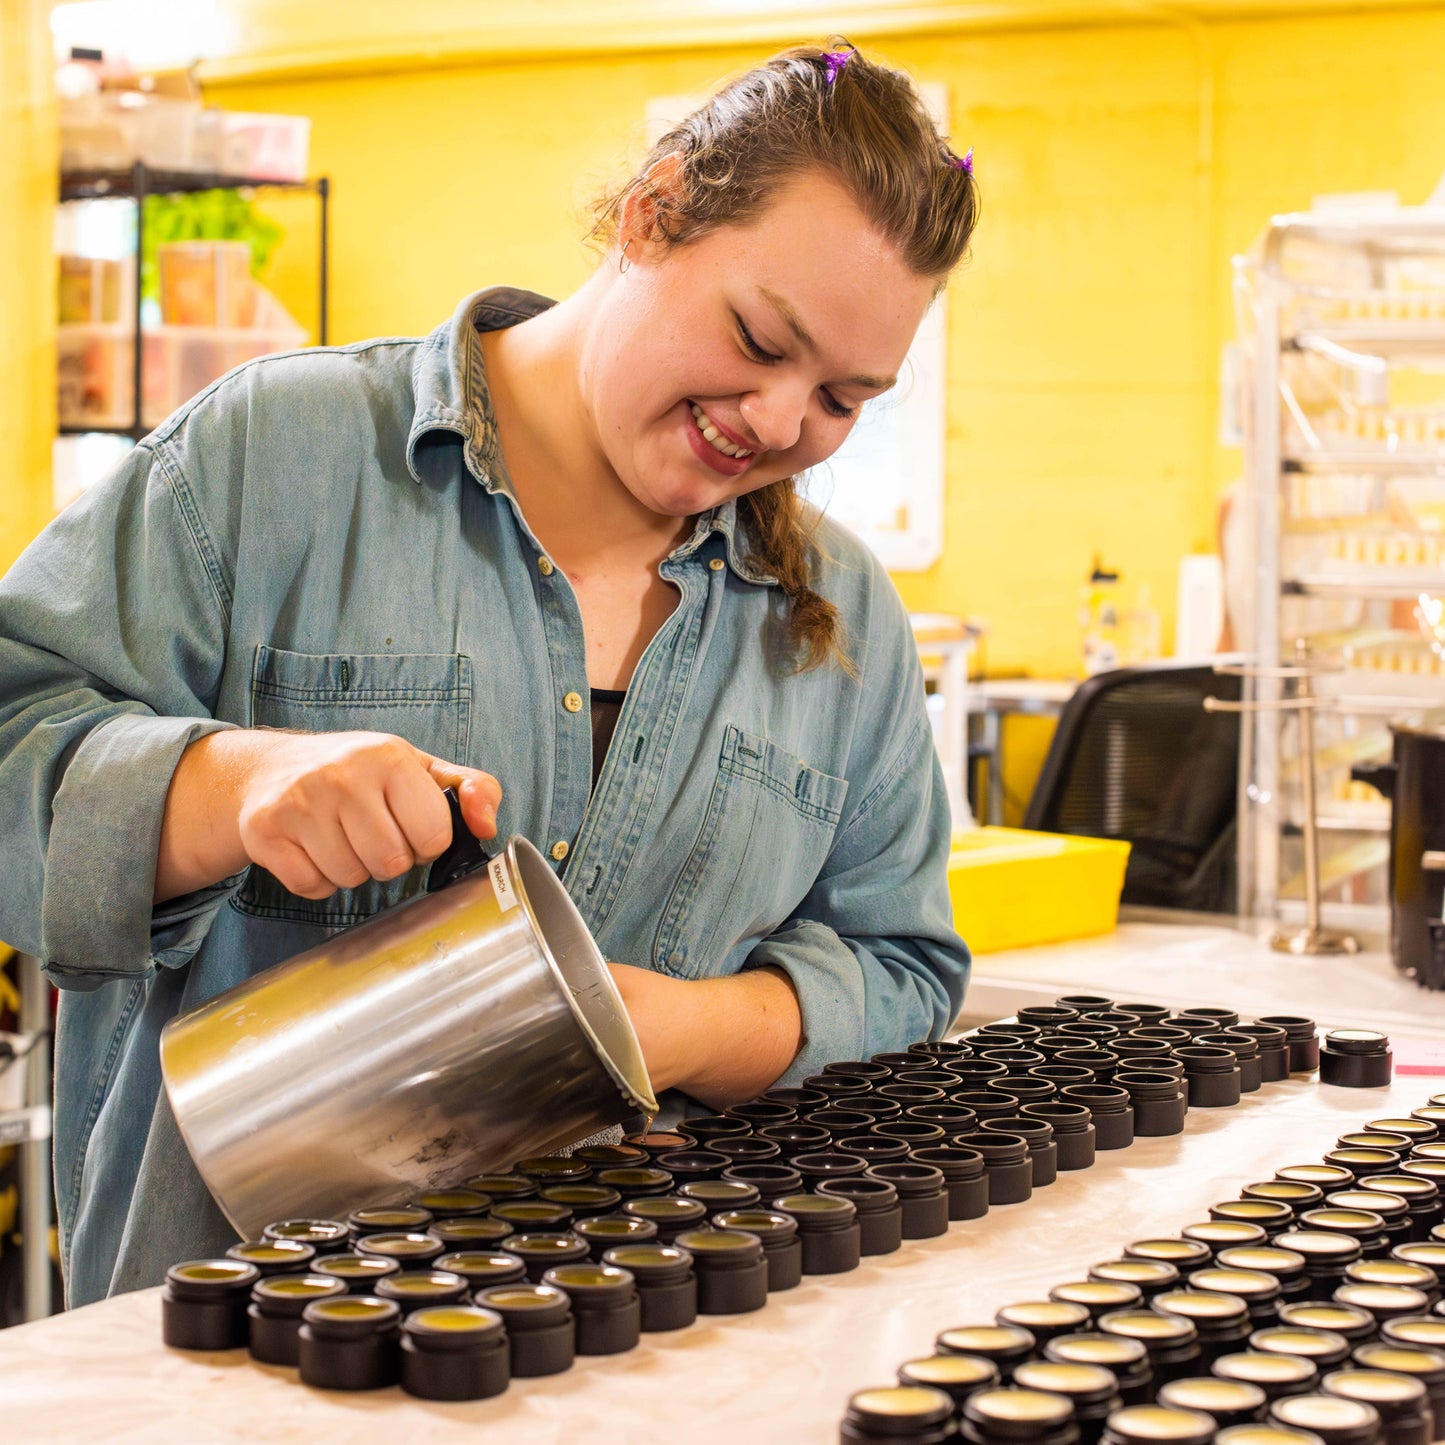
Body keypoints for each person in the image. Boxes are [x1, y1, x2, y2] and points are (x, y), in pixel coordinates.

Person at [0, 42, 979, 1306]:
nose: (782, 422)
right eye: (757, 338)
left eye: (844, 397)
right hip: (230, 1352)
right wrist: (230, 785)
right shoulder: (274, 462)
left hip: (638, 1346)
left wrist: (678, 1026)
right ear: (653, 212)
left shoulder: (837, 622)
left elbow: (902, 969)